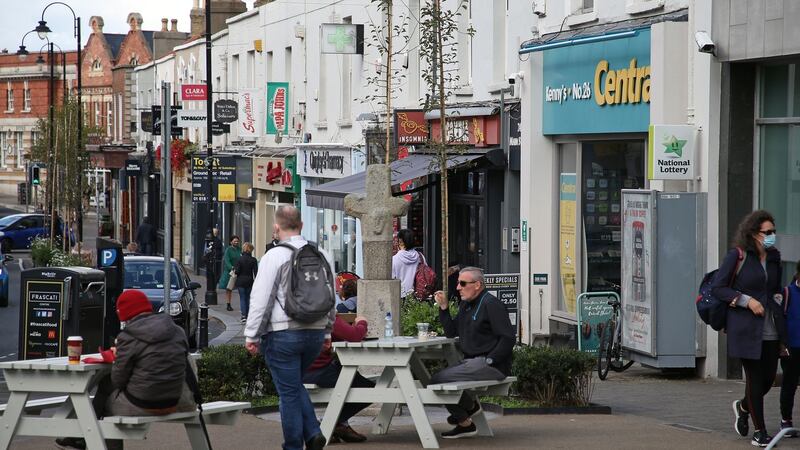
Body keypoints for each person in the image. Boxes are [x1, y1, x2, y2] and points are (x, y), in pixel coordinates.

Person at [55, 289, 196, 450]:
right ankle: (80, 436)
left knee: (106, 396)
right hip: (175, 400)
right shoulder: (176, 330)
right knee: (107, 387)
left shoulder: (129, 336)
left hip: (146, 405)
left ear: (122, 312)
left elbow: (118, 380)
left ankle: (83, 435)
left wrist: (119, 355)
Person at [244, 205, 333, 450]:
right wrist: (327, 331)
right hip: (315, 333)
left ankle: (295, 444)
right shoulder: (321, 253)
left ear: (276, 227)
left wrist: (252, 334)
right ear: (301, 225)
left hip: (283, 333)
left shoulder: (273, 256)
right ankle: (313, 434)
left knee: (289, 392)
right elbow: (330, 295)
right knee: (293, 385)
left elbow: (261, 299)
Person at [713, 210, 786, 447]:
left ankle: (743, 407)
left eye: (774, 232)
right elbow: (719, 288)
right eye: (768, 232)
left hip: (771, 327)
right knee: (755, 379)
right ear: (754, 233)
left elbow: (775, 288)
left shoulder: (774, 257)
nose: (772, 236)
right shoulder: (738, 255)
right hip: (745, 327)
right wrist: (747, 301)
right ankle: (760, 432)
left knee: (767, 380)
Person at [431, 266, 515, 439]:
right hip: (472, 362)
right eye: (457, 283)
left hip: (490, 364)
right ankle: (469, 408)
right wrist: (444, 308)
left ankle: (465, 421)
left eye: (462, 283)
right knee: (436, 379)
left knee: (437, 380)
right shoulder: (466, 305)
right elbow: (451, 332)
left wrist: (490, 360)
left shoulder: (492, 304)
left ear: (477, 285)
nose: (458, 287)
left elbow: (508, 338)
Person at [303, 315, 374, 443]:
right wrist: (362, 322)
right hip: (319, 371)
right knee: (369, 389)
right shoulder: (325, 314)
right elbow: (354, 336)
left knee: (352, 378)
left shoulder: (296, 314)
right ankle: (331, 424)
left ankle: (341, 425)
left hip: (299, 370)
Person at [779, 260, 800, 437]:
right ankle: (786, 420)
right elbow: (781, 320)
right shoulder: (788, 292)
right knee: (789, 384)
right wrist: (782, 345)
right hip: (792, 347)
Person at [392, 229, 421, 297]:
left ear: (400, 242)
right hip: (419, 296)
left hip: (400, 296)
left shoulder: (394, 259)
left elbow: (391, 279)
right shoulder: (420, 257)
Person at [234, 242, 258, 323]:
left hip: (240, 281)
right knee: (248, 298)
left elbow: (237, 271)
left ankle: (244, 316)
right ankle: (248, 315)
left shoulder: (239, 259)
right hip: (249, 281)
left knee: (242, 298)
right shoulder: (253, 260)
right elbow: (256, 273)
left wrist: (234, 269)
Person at [218, 235, 242, 312]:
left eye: (237, 241)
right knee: (229, 289)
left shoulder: (239, 249)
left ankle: (242, 305)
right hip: (230, 272)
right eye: (234, 241)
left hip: (239, 271)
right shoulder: (228, 250)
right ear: (231, 242)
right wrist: (231, 267)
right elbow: (226, 260)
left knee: (241, 289)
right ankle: (228, 304)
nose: (236, 242)